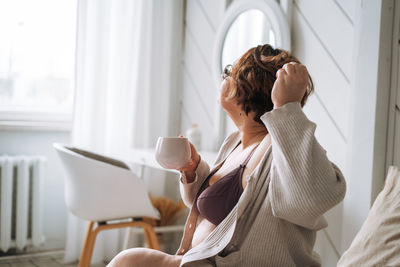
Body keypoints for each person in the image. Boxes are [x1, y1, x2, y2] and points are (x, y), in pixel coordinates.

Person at [108, 44, 346, 267]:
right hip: (196, 259)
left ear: (247, 89)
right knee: (127, 260)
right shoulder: (234, 142)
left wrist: (287, 108)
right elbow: (212, 209)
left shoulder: (283, 148)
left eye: (230, 73)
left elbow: (313, 199)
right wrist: (194, 171)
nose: (224, 77)